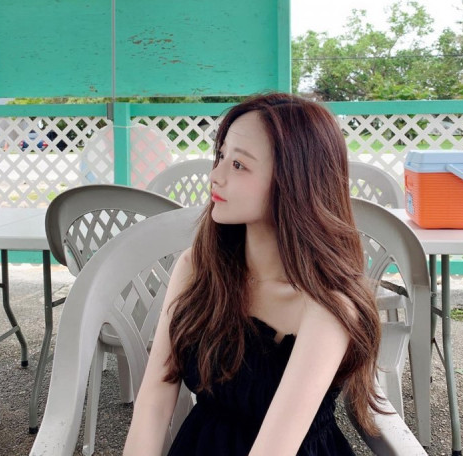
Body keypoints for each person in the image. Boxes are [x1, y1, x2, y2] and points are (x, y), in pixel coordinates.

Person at [124, 92, 383, 456]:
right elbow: (154, 400)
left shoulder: (326, 308)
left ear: (295, 181)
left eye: (239, 165)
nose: (215, 176)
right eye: (220, 157)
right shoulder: (197, 268)